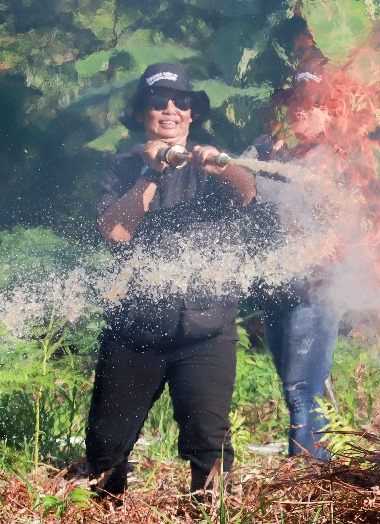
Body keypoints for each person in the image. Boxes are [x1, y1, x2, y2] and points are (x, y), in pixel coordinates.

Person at [87, 62, 256, 500]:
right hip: (134, 331)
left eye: (181, 102)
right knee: (106, 449)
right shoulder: (121, 169)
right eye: (159, 102)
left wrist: (222, 168)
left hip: (207, 330)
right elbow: (115, 232)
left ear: (192, 112)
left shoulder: (212, 164)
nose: (170, 110)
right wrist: (152, 171)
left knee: (210, 442)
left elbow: (246, 192)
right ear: (143, 112)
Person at [250, 68, 342, 460]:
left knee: (303, 387)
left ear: (330, 112)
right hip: (276, 288)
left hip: (314, 291)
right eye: (295, 102)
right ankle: (318, 466)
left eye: (311, 104)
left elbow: (341, 227)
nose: (300, 110)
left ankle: (309, 479)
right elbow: (242, 181)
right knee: (295, 389)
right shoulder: (270, 150)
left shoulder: (336, 158)